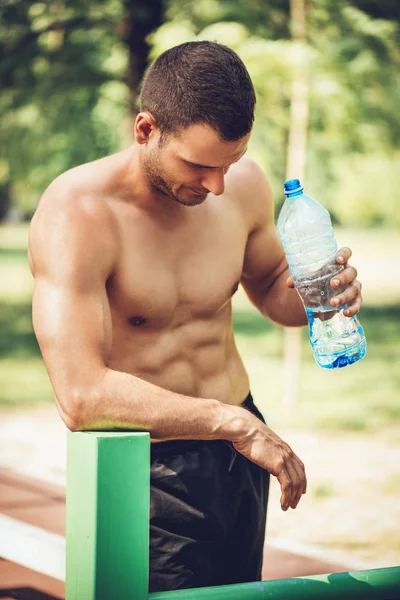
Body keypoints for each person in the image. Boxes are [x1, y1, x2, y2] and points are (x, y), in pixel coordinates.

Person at [28, 41, 363, 592]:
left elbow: (272, 291)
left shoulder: (243, 185)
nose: (217, 186)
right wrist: (233, 424)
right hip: (150, 465)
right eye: (200, 165)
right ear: (145, 130)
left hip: (239, 452)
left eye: (229, 163)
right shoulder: (78, 214)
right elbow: (81, 396)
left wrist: (317, 294)